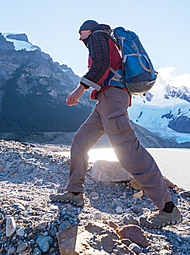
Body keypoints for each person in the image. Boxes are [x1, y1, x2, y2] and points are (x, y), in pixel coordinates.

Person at [49, 20, 182, 228]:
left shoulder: (98, 37)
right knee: (80, 141)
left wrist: (80, 89)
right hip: (105, 101)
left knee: (129, 152)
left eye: (80, 32)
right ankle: (74, 192)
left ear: (89, 30)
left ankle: (168, 209)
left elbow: (101, 63)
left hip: (111, 99)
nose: (79, 38)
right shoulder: (102, 39)